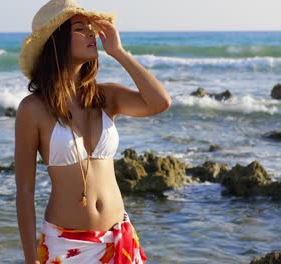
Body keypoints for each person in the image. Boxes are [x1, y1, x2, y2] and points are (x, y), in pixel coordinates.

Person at [15, 0, 171, 263]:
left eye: (91, 28)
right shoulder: (33, 109)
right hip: (66, 246)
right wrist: (31, 259)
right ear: (58, 40)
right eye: (80, 28)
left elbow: (160, 102)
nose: (91, 33)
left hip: (119, 239)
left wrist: (119, 52)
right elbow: (25, 191)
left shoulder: (105, 96)